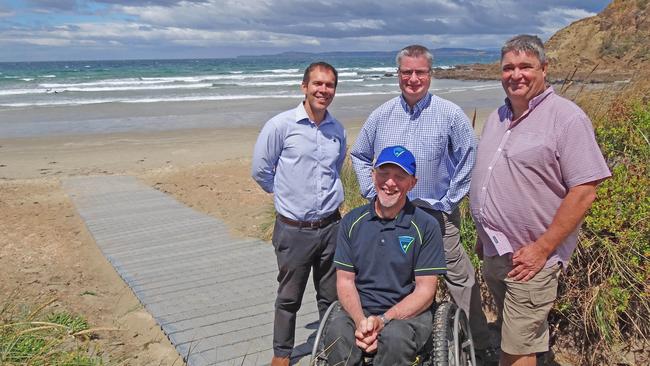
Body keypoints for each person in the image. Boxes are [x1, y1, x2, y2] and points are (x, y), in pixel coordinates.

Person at [469, 34, 611, 366]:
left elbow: (584, 191)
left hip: (530, 260)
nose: (515, 74)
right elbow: (493, 180)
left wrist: (542, 248)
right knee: (517, 334)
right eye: (508, 67)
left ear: (544, 69)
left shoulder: (567, 118)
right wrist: (483, 234)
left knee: (517, 347)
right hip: (495, 252)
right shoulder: (497, 118)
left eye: (525, 66)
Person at [350, 44, 497, 362]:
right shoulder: (382, 114)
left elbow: (470, 155)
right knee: (394, 276)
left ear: (430, 74)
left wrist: (449, 201)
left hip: (435, 213)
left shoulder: (449, 113)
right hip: (390, 214)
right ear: (398, 74)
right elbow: (360, 155)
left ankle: (478, 344)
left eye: (420, 72)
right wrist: (372, 193)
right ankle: (394, 339)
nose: (413, 78)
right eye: (406, 72)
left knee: (460, 278)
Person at [251, 61, 346, 366]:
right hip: (294, 229)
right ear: (304, 86)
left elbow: (335, 167)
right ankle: (282, 354)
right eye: (318, 83)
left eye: (329, 85)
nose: (324, 90)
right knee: (289, 297)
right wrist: (286, 198)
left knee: (330, 296)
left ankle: (330, 349)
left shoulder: (336, 129)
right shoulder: (281, 126)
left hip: (332, 225)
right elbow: (261, 170)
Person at [324, 145, 446, 365]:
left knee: (395, 339)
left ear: (412, 183)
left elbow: (426, 290)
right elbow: (345, 281)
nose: (390, 183)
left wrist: (383, 320)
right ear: (373, 175)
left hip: (408, 315)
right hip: (359, 310)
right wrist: (362, 322)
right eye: (384, 174)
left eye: (400, 176)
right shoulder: (351, 222)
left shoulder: (426, 226)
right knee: (337, 334)